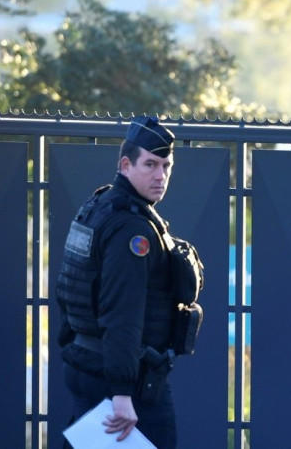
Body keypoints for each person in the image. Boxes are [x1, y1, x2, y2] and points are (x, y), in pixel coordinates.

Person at [56, 116, 203, 448]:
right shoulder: (132, 230)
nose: (160, 175)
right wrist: (123, 393)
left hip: (88, 364)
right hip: (126, 383)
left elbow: (73, 292)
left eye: (166, 166)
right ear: (126, 164)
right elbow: (122, 312)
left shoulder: (98, 206)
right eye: (150, 164)